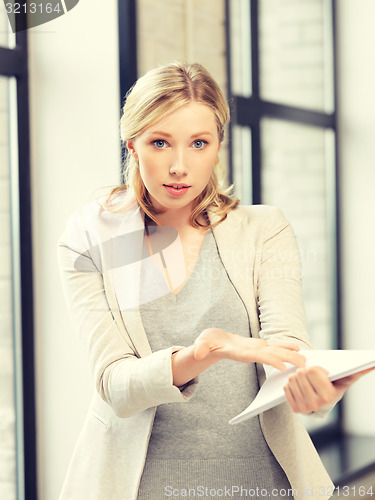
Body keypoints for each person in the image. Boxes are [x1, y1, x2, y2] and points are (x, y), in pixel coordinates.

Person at [57, 62, 370, 500]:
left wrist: (311, 389)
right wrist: (205, 352)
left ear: (218, 145)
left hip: (262, 479)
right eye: (160, 142)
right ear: (132, 144)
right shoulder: (91, 237)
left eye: (198, 143)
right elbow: (116, 386)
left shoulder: (265, 230)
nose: (179, 166)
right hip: (139, 484)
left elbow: (286, 347)